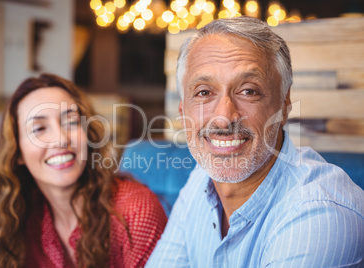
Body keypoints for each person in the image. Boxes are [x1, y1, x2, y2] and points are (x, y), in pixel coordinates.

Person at [146, 17, 364, 267]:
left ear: (283, 104)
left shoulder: (321, 215)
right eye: (204, 92)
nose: (224, 118)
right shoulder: (201, 179)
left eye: (248, 91)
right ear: (183, 112)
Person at [0, 73, 167, 268]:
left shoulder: (135, 211)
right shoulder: (23, 218)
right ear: (18, 152)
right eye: (39, 128)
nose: (61, 139)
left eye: (71, 122)